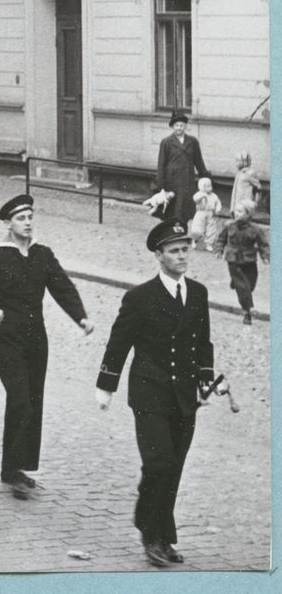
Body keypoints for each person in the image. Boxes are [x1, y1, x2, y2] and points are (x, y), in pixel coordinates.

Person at [96, 219, 221, 567]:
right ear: (159, 255)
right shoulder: (139, 297)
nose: (182, 256)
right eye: (174, 251)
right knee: (158, 463)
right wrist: (106, 385)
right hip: (149, 392)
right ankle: (150, 533)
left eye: (186, 249)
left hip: (184, 395)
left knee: (173, 467)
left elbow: (203, 341)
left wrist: (206, 380)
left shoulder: (197, 293)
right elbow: (118, 343)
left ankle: (163, 536)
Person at [0, 195, 94, 498]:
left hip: (36, 336)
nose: (27, 222)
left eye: (30, 216)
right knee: (19, 399)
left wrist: (80, 317)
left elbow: (62, 287)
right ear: (7, 223)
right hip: (6, 335)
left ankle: (18, 467)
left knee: (33, 400)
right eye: (20, 218)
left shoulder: (42, 254)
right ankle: (11, 469)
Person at [147, 111, 209, 229]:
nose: (179, 128)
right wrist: (160, 184)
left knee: (185, 206)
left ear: (185, 126)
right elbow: (161, 164)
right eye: (176, 125)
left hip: (187, 180)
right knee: (173, 208)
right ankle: (172, 230)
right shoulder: (166, 142)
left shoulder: (192, 141)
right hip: (172, 181)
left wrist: (205, 175)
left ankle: (182, 229)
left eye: (181, 125)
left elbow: (198, 160)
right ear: (172, 126)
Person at [214, 200, 269, 325]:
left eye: (240, 211)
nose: (236, 213)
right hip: (233, 259)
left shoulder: (255, 229)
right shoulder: (229, 225)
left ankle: (235, 282)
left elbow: (263, 244)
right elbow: (221, 239)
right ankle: (247, 313)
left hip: (249, 259)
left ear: (249, 214)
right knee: (243, 287)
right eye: (235, 210)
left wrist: (265, 256)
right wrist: (219, 250)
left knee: (251, 284)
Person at [189, 178, 222, 251]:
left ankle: (209, 243)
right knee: (198, 227)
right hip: (201, 213)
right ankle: (195, 239)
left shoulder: (213, 196)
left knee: (211, 228)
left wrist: (217, 209)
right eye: (208, 186)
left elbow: (218, 202)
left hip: (210, 213)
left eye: (211, 186)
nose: (211, 188)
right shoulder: (199, 194)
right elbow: (195, 199)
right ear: (202, 187)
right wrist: (202, 196)